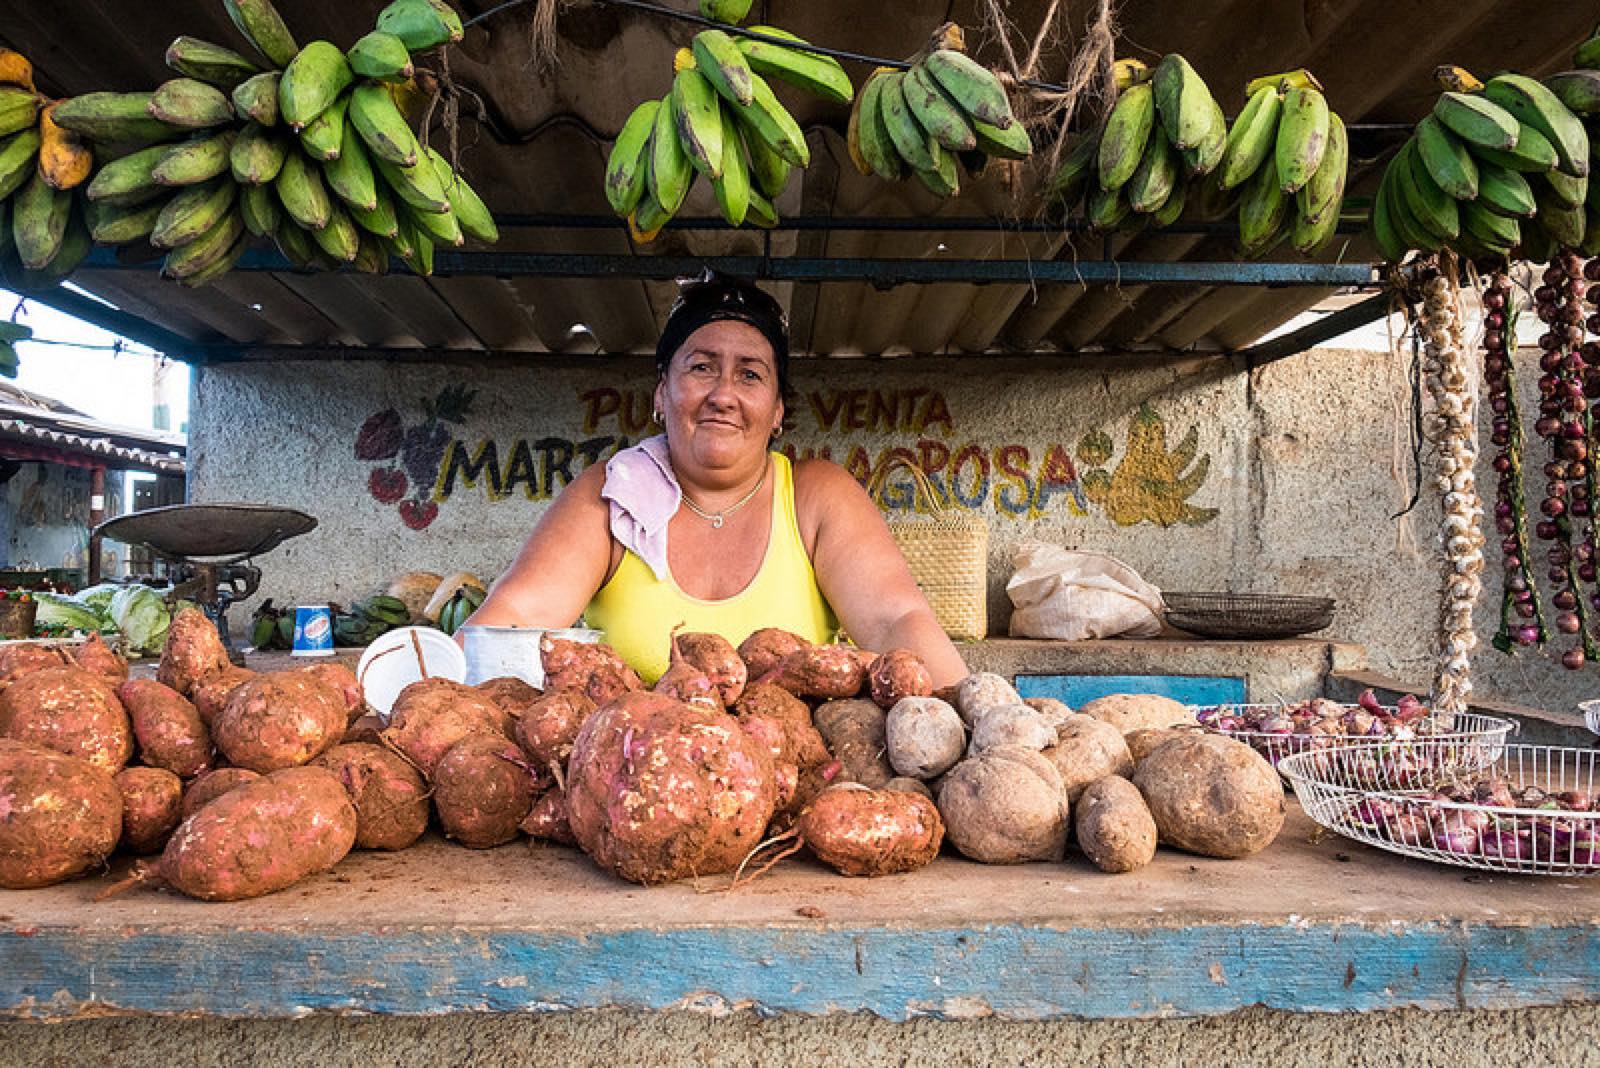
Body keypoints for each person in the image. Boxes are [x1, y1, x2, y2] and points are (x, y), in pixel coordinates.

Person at [468, 272, 968, 687]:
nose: (723, 394)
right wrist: (426, 696)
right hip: (635, 779)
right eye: (702, 367)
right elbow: (514, 617)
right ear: (662, 393)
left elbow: (895, 621)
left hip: (797, 780)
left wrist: (969, 724)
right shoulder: (612, 496)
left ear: (776, 411)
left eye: (750, 374)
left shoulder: (817, 497)